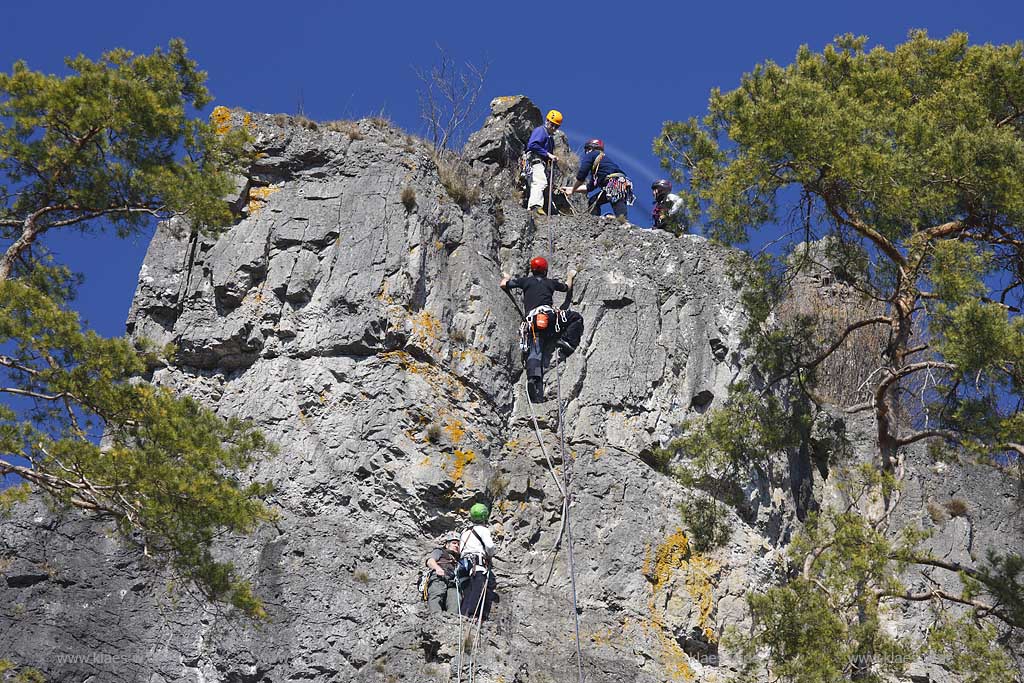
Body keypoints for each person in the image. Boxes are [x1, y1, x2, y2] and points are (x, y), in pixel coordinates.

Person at [500, 256, 584, 402]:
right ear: (545, 270)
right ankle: (567, 342)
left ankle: (533, 379)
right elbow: (567, 287)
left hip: (533, 323)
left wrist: (507, 277)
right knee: (576, 318)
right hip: (549, 318)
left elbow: (503, 285)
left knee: (535, 350)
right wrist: (570, 275)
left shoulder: (525, 281)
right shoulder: (550, 282)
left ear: (532, 270)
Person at [562, 138, 635, 220]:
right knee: (593, 201)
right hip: (618, 182)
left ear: (589, 149)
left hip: (614, 182)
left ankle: (622, 221)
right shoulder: (599, 168)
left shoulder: (592, 154)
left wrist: (573, 190)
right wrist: (571, 189)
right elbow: (589, 187)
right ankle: (596, 221)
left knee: (615, 197)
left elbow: (582, 175)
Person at [459, 503, 497, 621]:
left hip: (464, 563)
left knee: (468, 590)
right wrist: (490, 555)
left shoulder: (465, 531)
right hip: (477, 563)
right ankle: (472, 614)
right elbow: (490, 547)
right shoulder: (483, 530)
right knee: (478, 587)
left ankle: (463, 614)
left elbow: (461, 549)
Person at [525, 110, 562, 215]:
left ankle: (533, 207)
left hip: (541, 163)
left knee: (540, 183)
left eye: (556, 126)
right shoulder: (541, 131)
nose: (554, 128)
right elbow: (532, 145)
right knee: (540, 182)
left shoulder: (550, 140)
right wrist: (548, 154)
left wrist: (550, 159)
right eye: (552, 124)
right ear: (547, 121)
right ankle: (535, 207)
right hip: (535, 160)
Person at [424, 534, 461, 613]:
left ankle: (452, 621)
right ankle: (435, 617)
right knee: (437, 594)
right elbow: (430, 561)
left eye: (458, 544)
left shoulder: (459, 560)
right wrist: (437, 568)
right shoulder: (440, 551)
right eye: (454, 543)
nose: (457, 545)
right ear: (447, 545)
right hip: (439, 577)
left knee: (455, 599)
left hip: (453, 582)